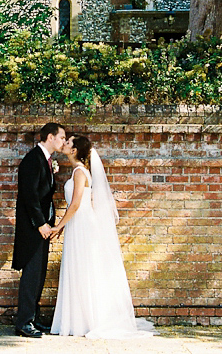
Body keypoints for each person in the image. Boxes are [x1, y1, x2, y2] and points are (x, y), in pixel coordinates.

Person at [49, 134, 154, 338]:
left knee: (83, 269)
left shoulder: (80, 172)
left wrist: (59, 225)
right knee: (81, 269)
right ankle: (81, 320)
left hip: (82, 224)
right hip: (78, 223)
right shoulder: (78, 172)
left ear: (74, 150)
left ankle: (87, 321)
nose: (65, 143)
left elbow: (77, 203)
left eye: (68, 142)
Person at [12, 122, 66, 338]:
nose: (63, 141)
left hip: (42, 228)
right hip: (34, 228)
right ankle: (23, 323)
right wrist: (41, 223)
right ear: (50, 137)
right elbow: (29, 195)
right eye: (62, 137)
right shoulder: (33, 160)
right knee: (31, 275)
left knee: (39, 274)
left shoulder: (46, 160)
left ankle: (32, 318)